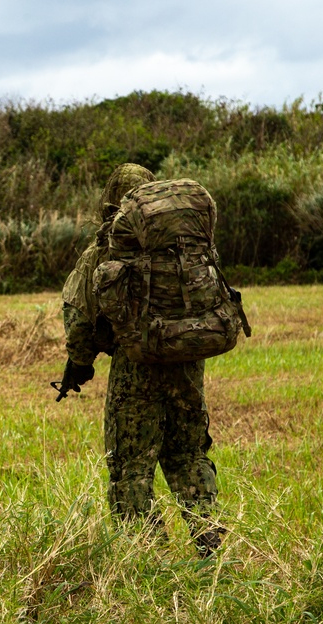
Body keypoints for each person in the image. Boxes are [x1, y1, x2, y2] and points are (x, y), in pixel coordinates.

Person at [58, 163, 224, 557]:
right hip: (187, 365)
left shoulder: (103, 249)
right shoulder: (185, 246)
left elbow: (80, 319)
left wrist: (79, 363)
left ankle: (147, 557)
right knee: (188, 455)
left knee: (130, 466)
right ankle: (210, 542)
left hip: (134, 369)